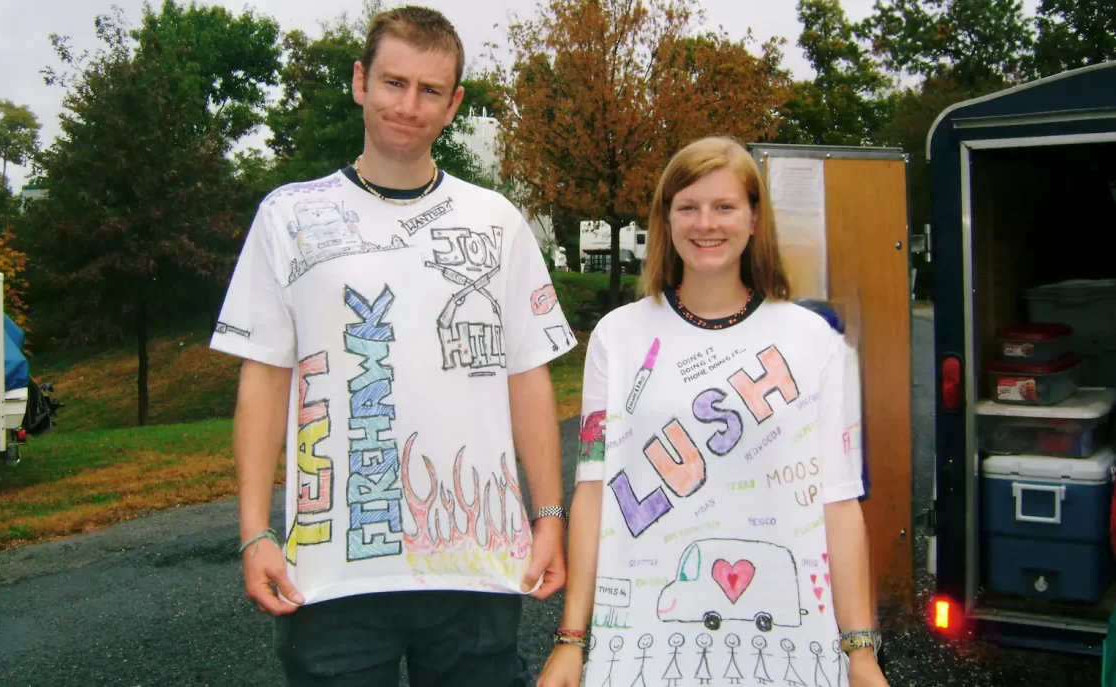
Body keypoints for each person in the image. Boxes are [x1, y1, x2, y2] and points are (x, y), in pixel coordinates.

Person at [209, 6, 576, 686]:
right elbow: (263, 380)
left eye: (430, 90)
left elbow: (528, 376)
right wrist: (255, 529)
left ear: (453, 103)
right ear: (360, 82)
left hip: (477, 564)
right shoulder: (289, 216)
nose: (408, 106)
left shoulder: (495, 221)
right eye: (393, 82)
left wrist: (548, 514)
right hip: (331, 572)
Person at [537, 136, 890, 687]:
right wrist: (571, 640)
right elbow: (594, 490)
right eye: (688, 207)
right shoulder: (618, 336)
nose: (707, 223)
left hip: (789, 646)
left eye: (725, 206)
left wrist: (861, 650)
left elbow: (840, 505)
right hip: (641, 644)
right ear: (666, 220)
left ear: (754, 219)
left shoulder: (813, 341)